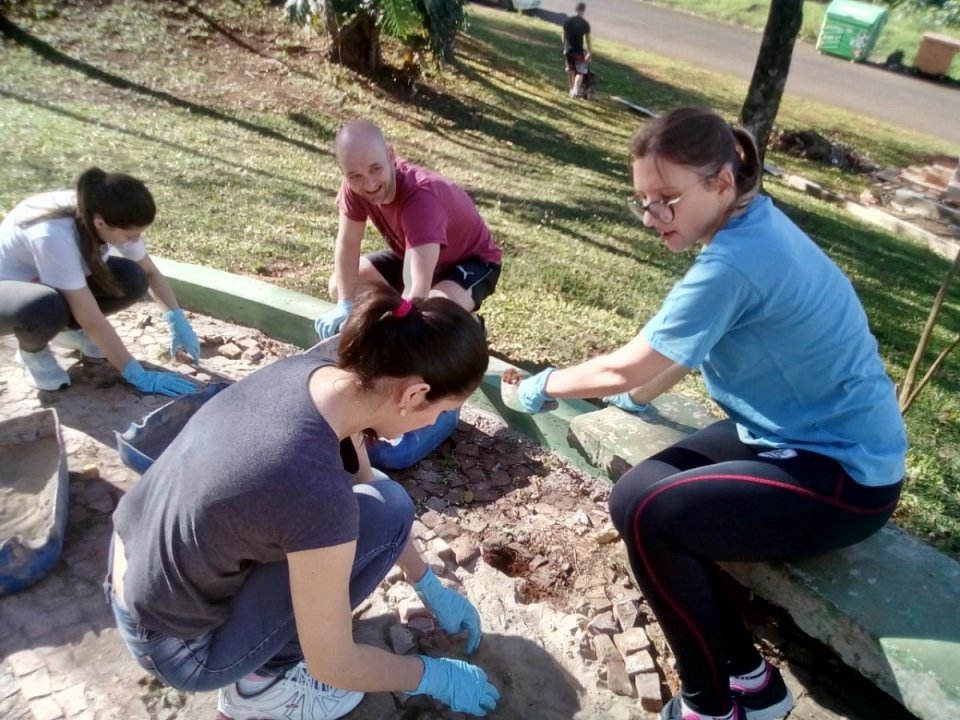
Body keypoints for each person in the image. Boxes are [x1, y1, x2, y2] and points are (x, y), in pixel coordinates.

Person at [515, 107, 907, 720]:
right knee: (634, 496)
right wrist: (635, 396)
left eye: (667, 199)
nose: (652, 218)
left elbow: (629, 366)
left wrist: (545, 385)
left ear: (722, 181)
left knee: (653, 517)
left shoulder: (733, 262)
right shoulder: (748, 223)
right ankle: (751, 680)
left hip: (846, 475)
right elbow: (680, 354)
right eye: (643, 200)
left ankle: (708, 706)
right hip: (783, 434)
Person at [106, 286, 499, 720]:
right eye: (444, 409)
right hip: (176, 645)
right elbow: (334, 663)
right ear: (413, 395)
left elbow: (369, 483)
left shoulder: (323, 373)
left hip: (133, 558)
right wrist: (432, 675)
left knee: (388, 505)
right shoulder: (316, 491)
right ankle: (260, 688)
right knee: (358, 527)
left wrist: (427, 583)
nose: (438, 421)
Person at [0, 167, 199, 396]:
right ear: (101, 224)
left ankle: (64, 330)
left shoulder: (104, 211)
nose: (134, 241)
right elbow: (91, 318)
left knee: (132, 278)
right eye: (129, 235)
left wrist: (176, 319)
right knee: (44, 306)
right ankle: (31, 351)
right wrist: (137, 374)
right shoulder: (52, 236)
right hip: (10, 297)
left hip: (47, 284)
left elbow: (150, 273)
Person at [313, 120, 502, 340]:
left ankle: (470, 324)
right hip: (415, 251)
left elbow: (416, 292)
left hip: (472, 263)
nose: (369, 184)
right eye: (355, 176)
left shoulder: (421, 197)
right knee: (340, 285)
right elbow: (348, 243)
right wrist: (344, 304)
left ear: (391, 156)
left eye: (376, 169)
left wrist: (398, 320)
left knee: (426, 314)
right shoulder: (353, 188)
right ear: (344, 172)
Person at [562, 2, 592, 99]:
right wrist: (589, 52)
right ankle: (575, 90)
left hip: (569, 50)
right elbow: (587, 39)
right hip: (578, 50)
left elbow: (563, 35)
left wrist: (565, 46)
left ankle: (571, 91)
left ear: (575, 9)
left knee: (571, 71)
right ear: (583, 11)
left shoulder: (568, 21)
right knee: (580, 72)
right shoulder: (585, 24)